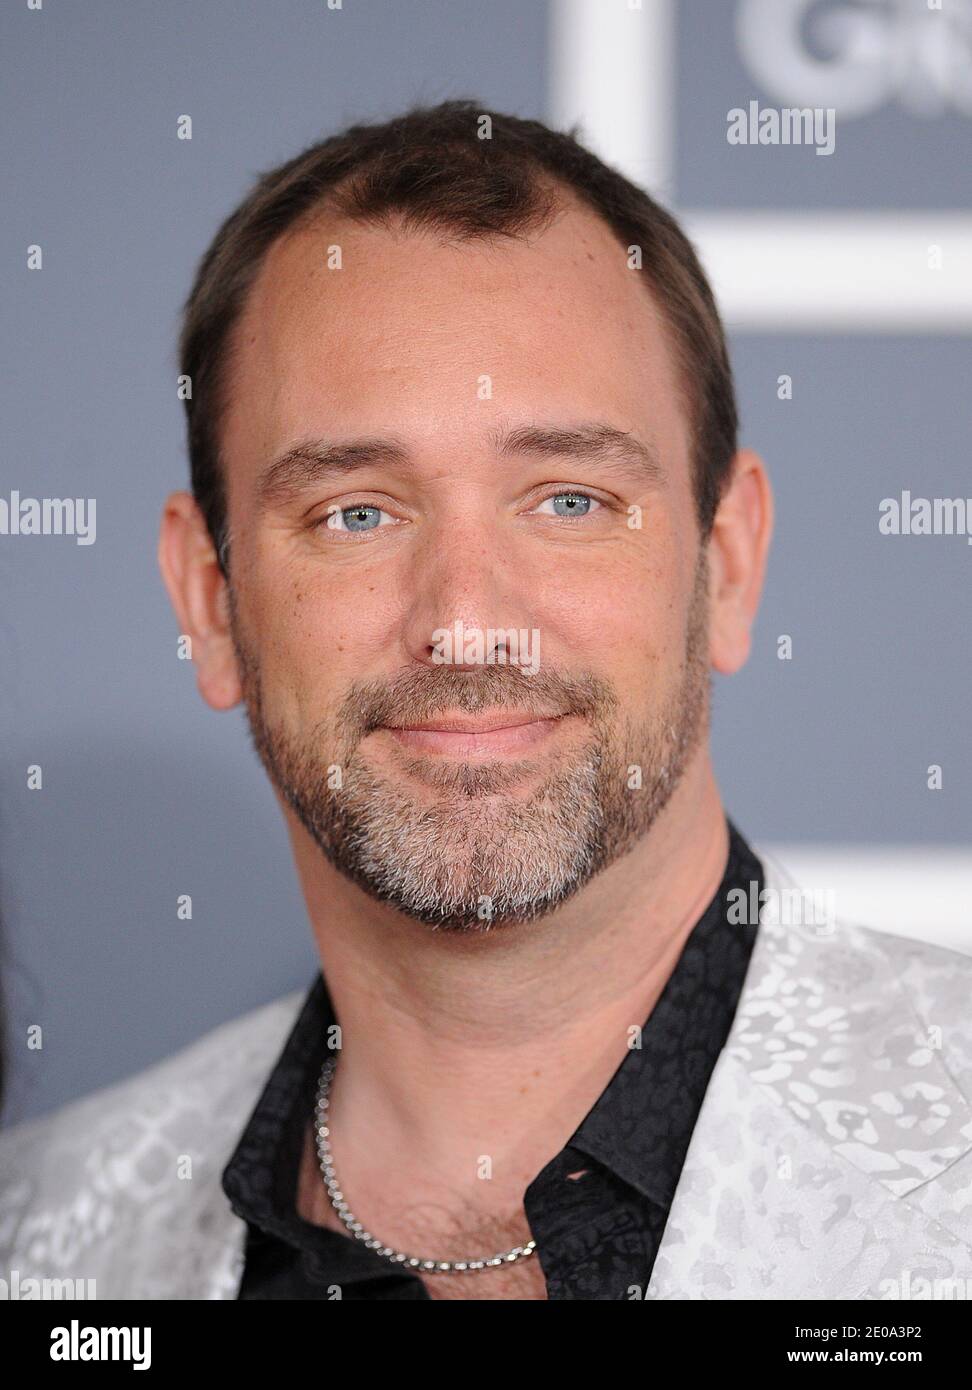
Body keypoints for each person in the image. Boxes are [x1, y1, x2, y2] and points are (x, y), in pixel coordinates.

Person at [2, 100, 971, 1302]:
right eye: (355, 511)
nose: (466, 621)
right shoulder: (36, 1239)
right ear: (210, 601)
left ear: (726, 562)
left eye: (568, 500)